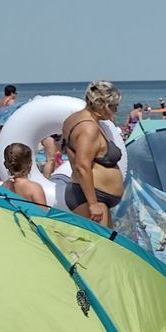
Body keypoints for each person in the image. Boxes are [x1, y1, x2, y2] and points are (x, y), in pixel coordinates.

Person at [61, 80, 125, 227]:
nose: (116, 111)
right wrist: (93, 204)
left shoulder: (74, 119)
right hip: (91, 197)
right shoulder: (89, 128)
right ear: (102, 105)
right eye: (114, 107)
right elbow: (82, 166)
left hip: (94, 195)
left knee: (110, 243)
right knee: (104, 247)